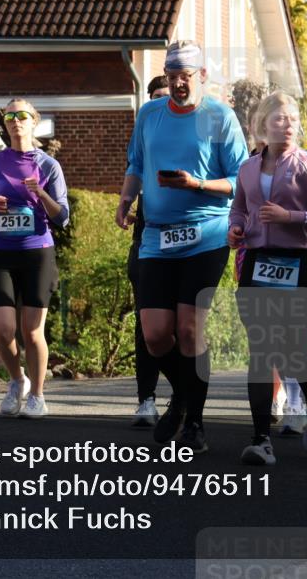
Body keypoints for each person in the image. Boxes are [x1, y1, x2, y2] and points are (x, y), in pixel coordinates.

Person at [115, 41, 248, 453]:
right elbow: (137, 163)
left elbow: (241, 180)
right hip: (156, 235)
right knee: (156, 336)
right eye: (172, 76)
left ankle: (196, 423)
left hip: (205, 235)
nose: (177, 84)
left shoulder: (220, 118)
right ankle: (186, 395)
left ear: (202, 76)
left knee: (190, 331)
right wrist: (124, 199)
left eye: (185, 77)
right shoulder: (150, 114)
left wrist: (197, 185)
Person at [228, 91, 307, 465]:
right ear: (263, 126)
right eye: (279, 119)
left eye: (293, 118)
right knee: (261, 352)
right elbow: (239, 209)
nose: (288, 125)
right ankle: (261, 439)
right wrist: (236, 230)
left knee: (293, 353)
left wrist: (291, 218)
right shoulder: (247, 168)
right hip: (258, 261)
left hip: (299, 261)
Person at [0, 99, 69, 417]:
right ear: (4, 124)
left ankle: (39, 396)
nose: (16, 121)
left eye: (23, 116)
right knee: (2, 330)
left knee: (32, 332)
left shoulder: (48, 166)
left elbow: (63, 217)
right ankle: (18, 381)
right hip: (2, 252)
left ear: (34, 122)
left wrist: (41, 194)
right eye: (10, 116)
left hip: (37, 252)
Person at [126, 76, 171, 427]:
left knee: (182, 327)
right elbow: (134, 170)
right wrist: (127, 200)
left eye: (165, 98)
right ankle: (146, 399)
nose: (159, 104)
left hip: (189, 244)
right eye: (154, 97)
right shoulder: (146, 137)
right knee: (147, 325)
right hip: (147, 242)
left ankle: (185, 394)